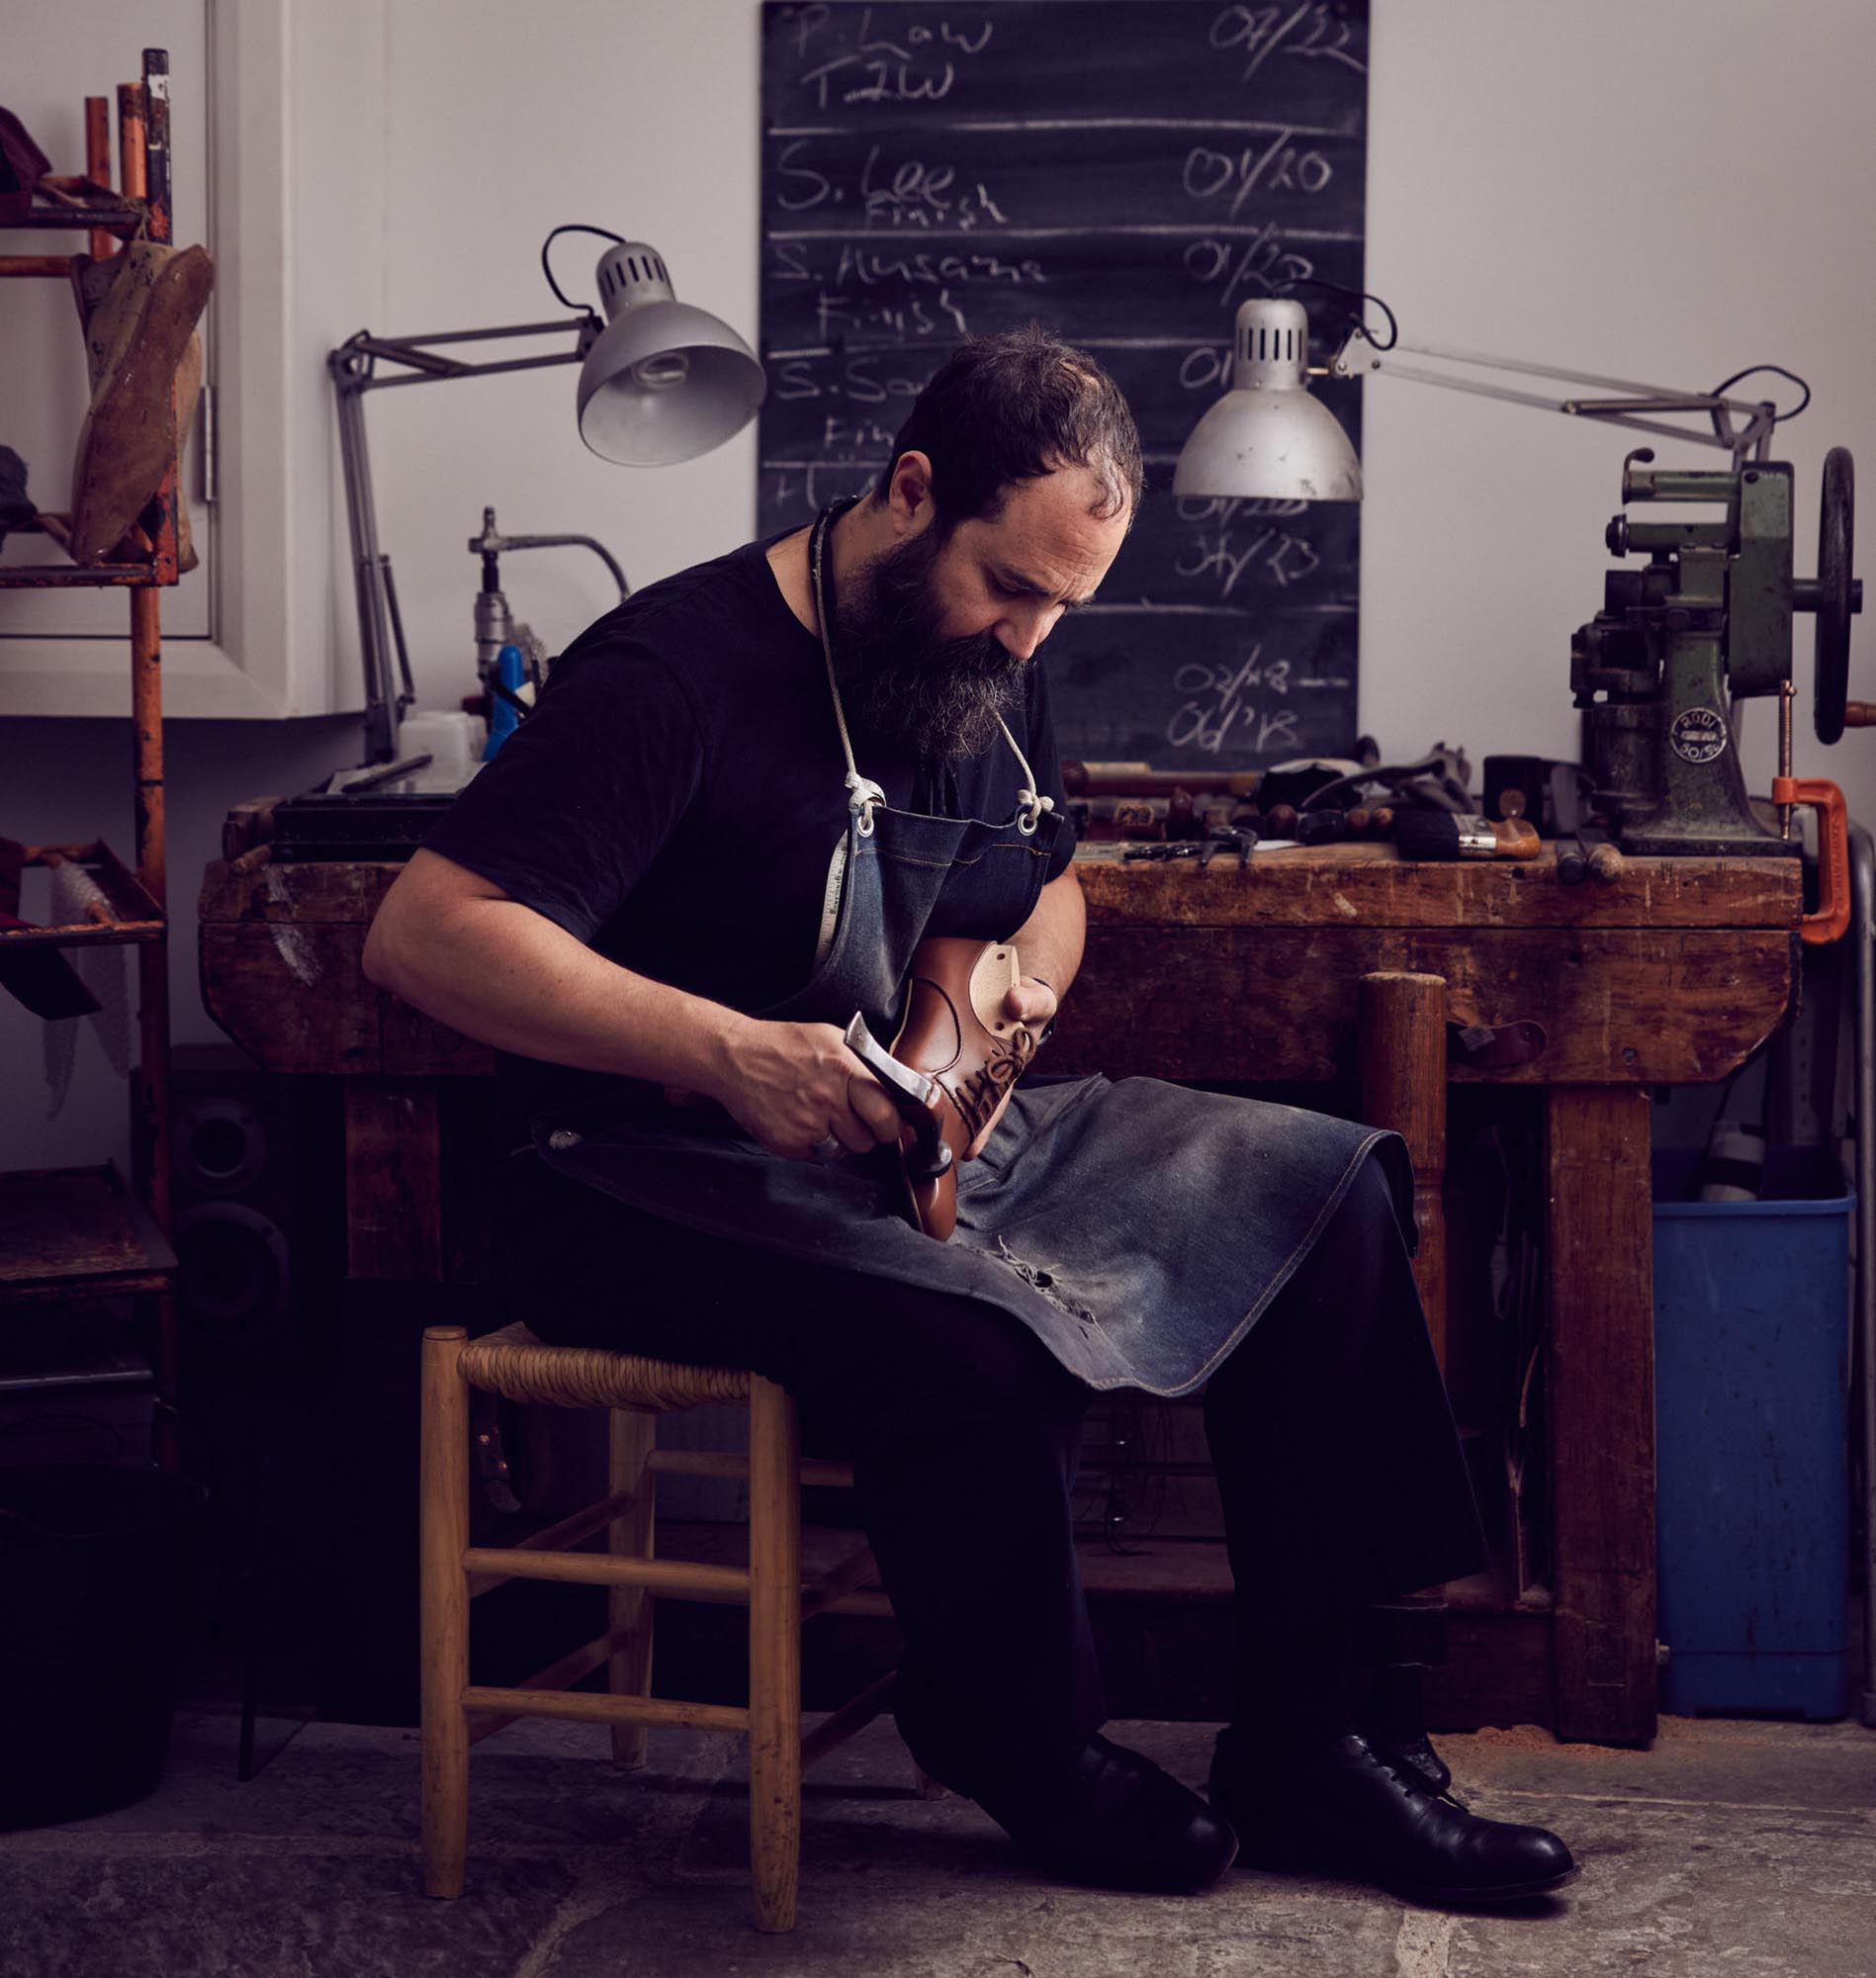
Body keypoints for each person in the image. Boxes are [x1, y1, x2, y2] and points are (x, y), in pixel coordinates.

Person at [363, 326, 1576, 1905]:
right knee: (979, 1335)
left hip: (894, 1131)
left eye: (1063, 605)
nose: (1027, 638)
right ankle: (1017, 1736)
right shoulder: (672, 676)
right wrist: (730, 1051)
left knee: (1321, 1191)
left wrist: (984, 1013)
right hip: (641, 1173)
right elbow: (426, 932)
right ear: (911, 490)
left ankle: (1320, 1743)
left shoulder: (980, 661)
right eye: (1010, 587)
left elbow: (1043, 882)